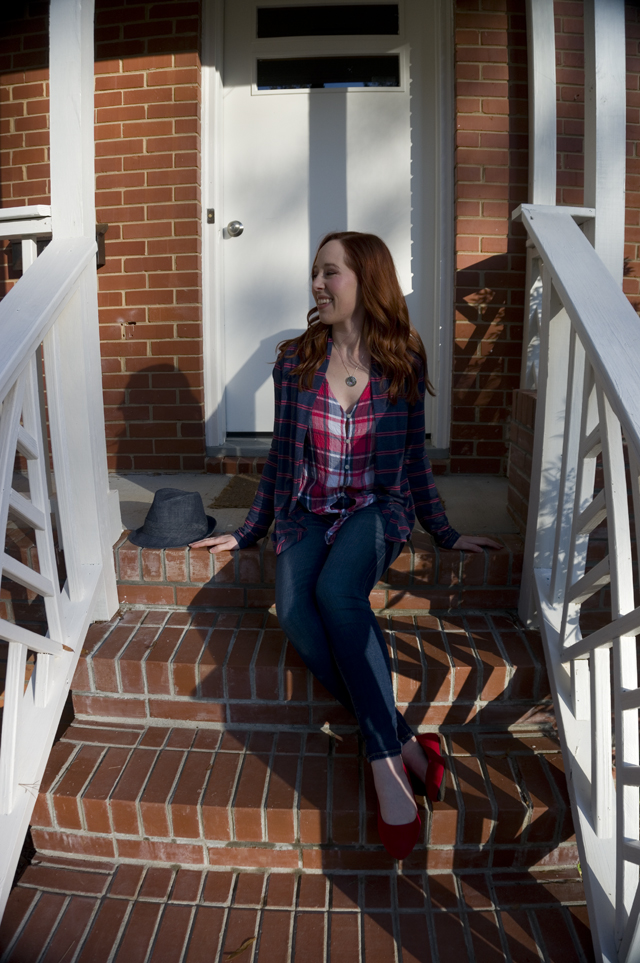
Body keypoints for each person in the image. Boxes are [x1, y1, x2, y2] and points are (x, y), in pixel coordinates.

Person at [191, 232, 500, 859]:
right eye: (314, 273)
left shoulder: (402, 362)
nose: (317, 285)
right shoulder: (295, 360)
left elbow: (414, 465)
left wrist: (444, 532)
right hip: (307, 511)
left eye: (330, 273)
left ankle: (386, 764)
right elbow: (280, 457)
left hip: (375, 512)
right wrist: (251, 529)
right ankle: (408, 739)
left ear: (366, 279)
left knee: (337, 593)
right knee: (297, 610)